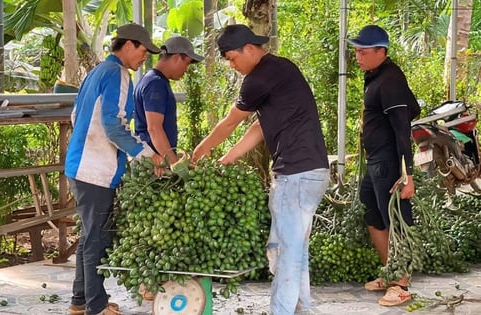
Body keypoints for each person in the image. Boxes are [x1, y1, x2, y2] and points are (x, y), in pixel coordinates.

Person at [191, 24, 330, 315]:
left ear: (250, 49)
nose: (231, 65)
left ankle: (282, 310)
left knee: (285, 252)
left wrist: (202, 149)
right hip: (312, 171)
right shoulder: (280, 70)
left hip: (295, 175)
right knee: (296, 249)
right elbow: (260, 126)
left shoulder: (259, 78)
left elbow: (231, 121)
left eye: (231, 58)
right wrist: (228, 157)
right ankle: (302, 309)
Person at [65, 23, 162, 315]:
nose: (145, 57)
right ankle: (96, 306)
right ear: (129, 45)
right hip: (94, 170)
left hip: (79, 166)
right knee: (97, 238)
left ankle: (79, 302)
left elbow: (74, 115)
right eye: (144, 50)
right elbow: (113, 125)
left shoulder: (95, 72)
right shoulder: (118, 73)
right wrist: (147, 155)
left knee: (89, 236)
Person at [347, 25, 418, 307]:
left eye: (363, 51)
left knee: (397, 218)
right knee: (371, 212)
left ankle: (401, 285)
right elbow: (414, 107)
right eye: (356, 50)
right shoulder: (374, 75)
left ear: (381, 52)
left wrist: (408, 175)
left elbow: (403, 129)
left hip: (390, 162)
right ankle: (390, 271)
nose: (357, 56)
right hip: (375, 159)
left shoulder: (390, 80)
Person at [133, 36, 204, 165]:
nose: (186, 69)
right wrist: (175, 164)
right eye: (187, 63)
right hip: (155, 165)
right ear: (176, 57)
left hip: (154, 160)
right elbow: (154, 129)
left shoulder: (151, 79)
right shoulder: (156, 84)